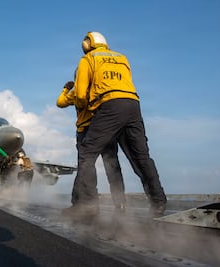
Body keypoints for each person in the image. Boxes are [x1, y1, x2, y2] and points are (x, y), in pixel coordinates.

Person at [63, 31, 167, 217]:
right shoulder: (122, 58)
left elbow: (79, 95)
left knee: (87, 154)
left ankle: (87, 205)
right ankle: (158, 202)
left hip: (109, 106)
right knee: (140, 157)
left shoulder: (87, 59)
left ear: (87, 44)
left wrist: (85, 106)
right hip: (133, 105)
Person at [57, 77, 126, 212]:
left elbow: (60, 102)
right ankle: (120, 204)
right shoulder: (100, 88)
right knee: (112, 166)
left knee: (85, 166)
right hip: (106, 129)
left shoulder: (77, 92)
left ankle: (87, 204)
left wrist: (66, 88)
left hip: (86, 131)